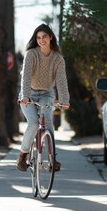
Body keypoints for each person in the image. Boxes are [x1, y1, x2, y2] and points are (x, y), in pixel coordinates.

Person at [17, 23, 70, 172]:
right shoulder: (31, 54)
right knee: (33, 124)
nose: (41, 40)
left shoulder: (58, 59)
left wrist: (65, 100)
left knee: (48, 122)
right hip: (28, 95)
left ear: (51, 37)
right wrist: (25, 96)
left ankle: (52, 158)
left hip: (47, 94)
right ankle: (22, 155)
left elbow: (61, 81)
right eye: (38, 37)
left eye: (44, 37)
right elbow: (26, 77)